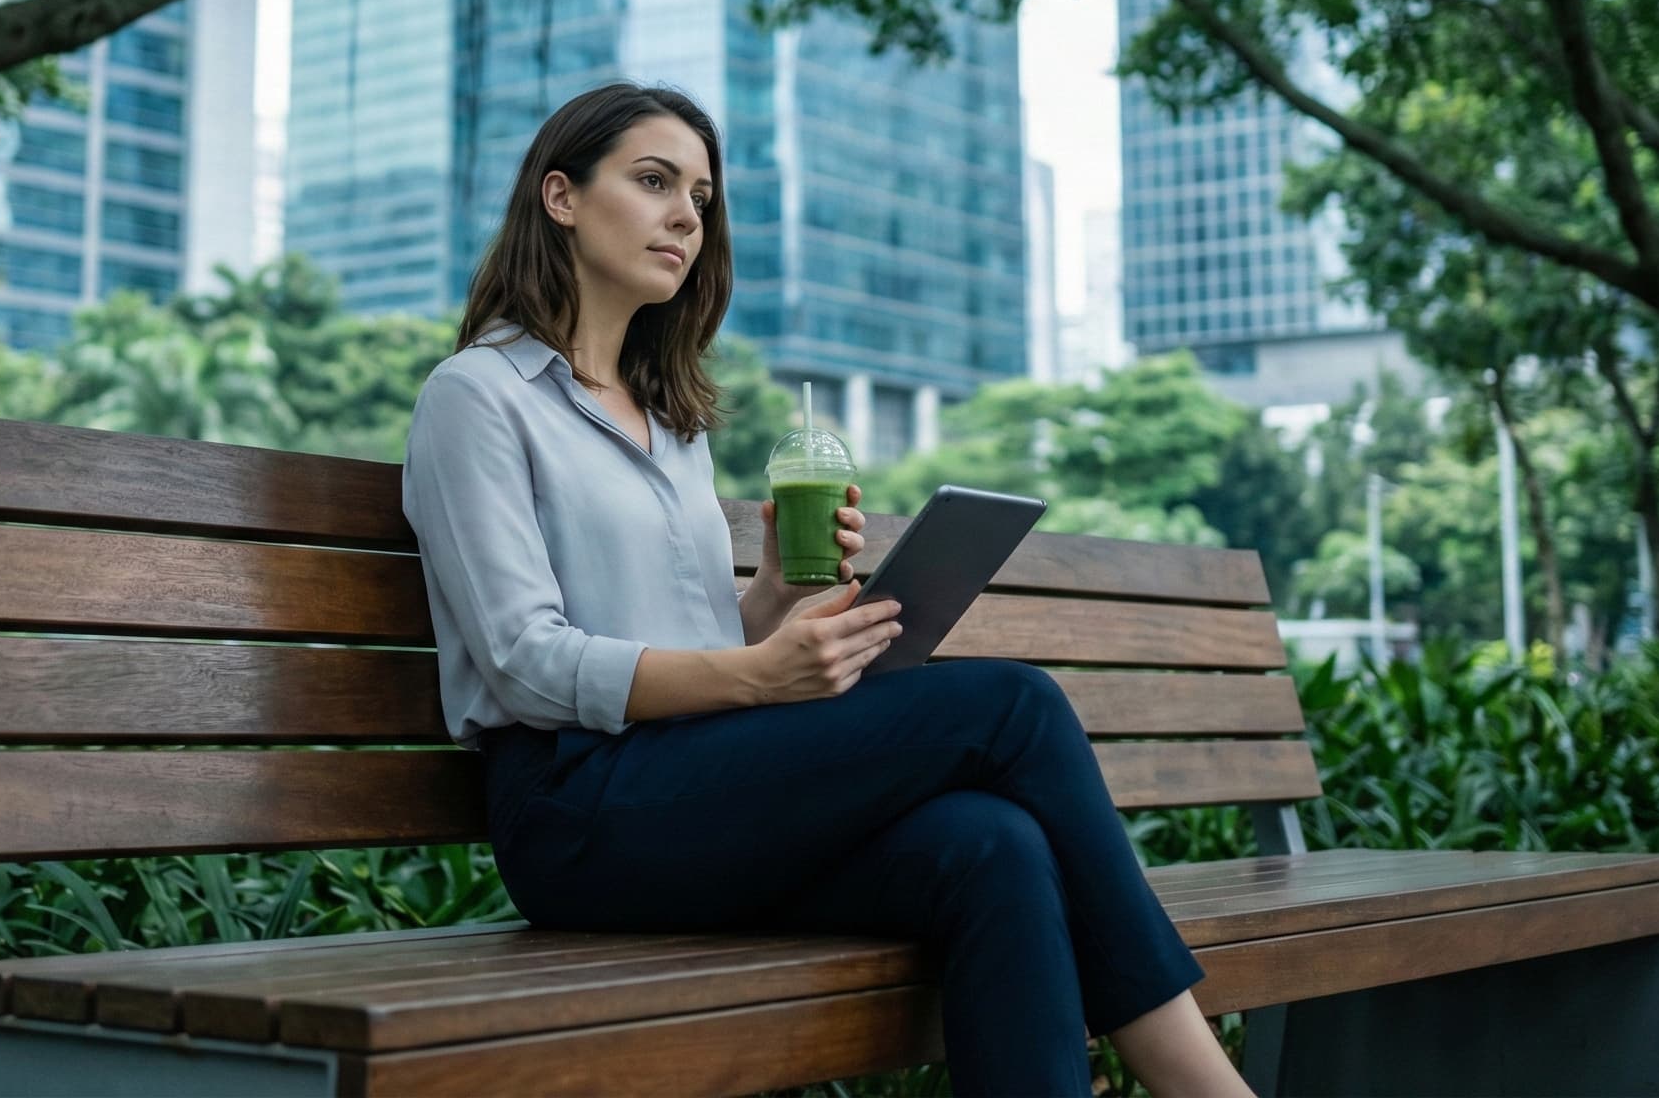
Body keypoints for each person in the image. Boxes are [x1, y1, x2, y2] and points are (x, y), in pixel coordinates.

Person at [401, 82, 1252, 1098]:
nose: (685, 216)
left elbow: (689, 640)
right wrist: (759, 678)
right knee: (1014, 703)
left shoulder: (668, 422)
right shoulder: (476, 398)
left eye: (701, 198)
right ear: (561, 197)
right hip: (576, 812)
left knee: (993, 845)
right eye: (652, 181)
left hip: (689, 790)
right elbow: (523, 660)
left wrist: (766, 606)